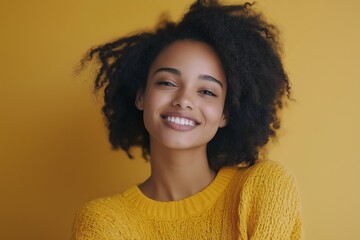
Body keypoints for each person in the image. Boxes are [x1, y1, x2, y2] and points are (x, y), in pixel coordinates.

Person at [72, 0, 303, 239]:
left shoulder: (262, 189)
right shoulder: (104, 221)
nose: (183, 100)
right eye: (167, 83)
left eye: (207, 92)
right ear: (141, 96)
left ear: (225, 114)